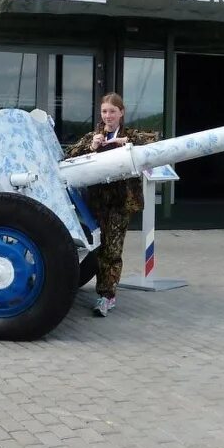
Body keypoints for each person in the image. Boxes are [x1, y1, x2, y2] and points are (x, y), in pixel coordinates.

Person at [65, 93, 157, 317]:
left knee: (112, 251)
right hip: (95, 204)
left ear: (121, 113)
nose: (108, 116)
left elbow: (154, 141)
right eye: (104, 111)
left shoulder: (129, 135)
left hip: (119, 204)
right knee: (94, 248)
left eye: (112, 112)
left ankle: (106, 296)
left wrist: (126, 143)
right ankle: (90, 285)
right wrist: (91, 147)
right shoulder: (93, 136)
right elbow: (69, 155)